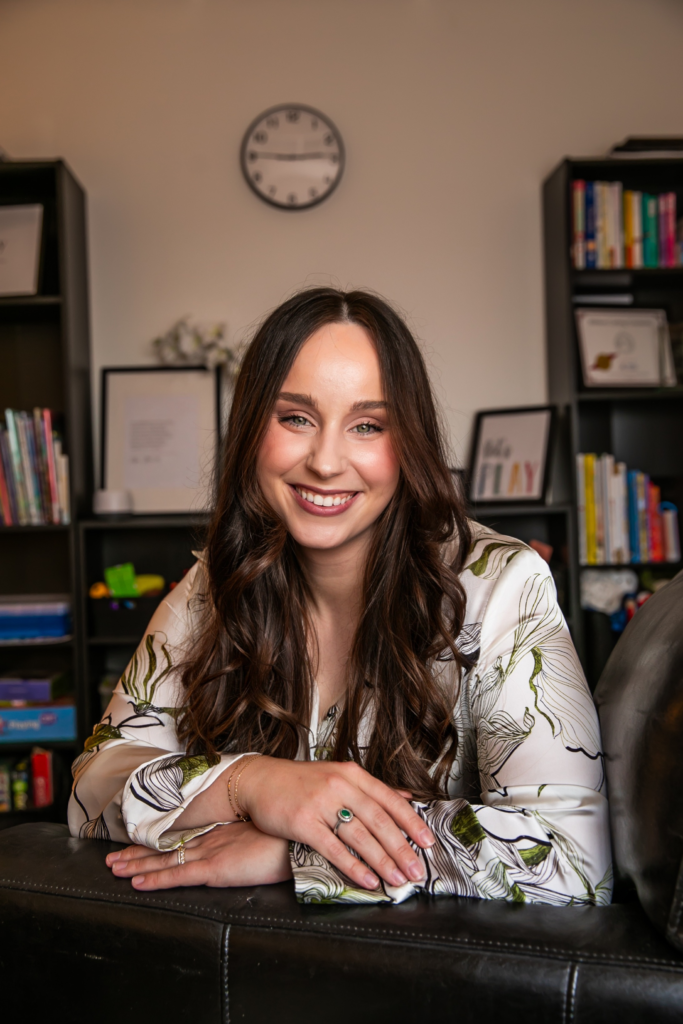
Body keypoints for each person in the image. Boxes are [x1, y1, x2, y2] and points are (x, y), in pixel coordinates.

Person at [69, 288, 612, 905]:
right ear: (251, 429)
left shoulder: (502, 586)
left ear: (407, 443)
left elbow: (574, 861)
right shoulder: (215, 584)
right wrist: (254, 784)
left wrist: (304, 848)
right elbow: (93, 784)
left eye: (367, 426)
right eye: (295, 418)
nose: (326, 462)